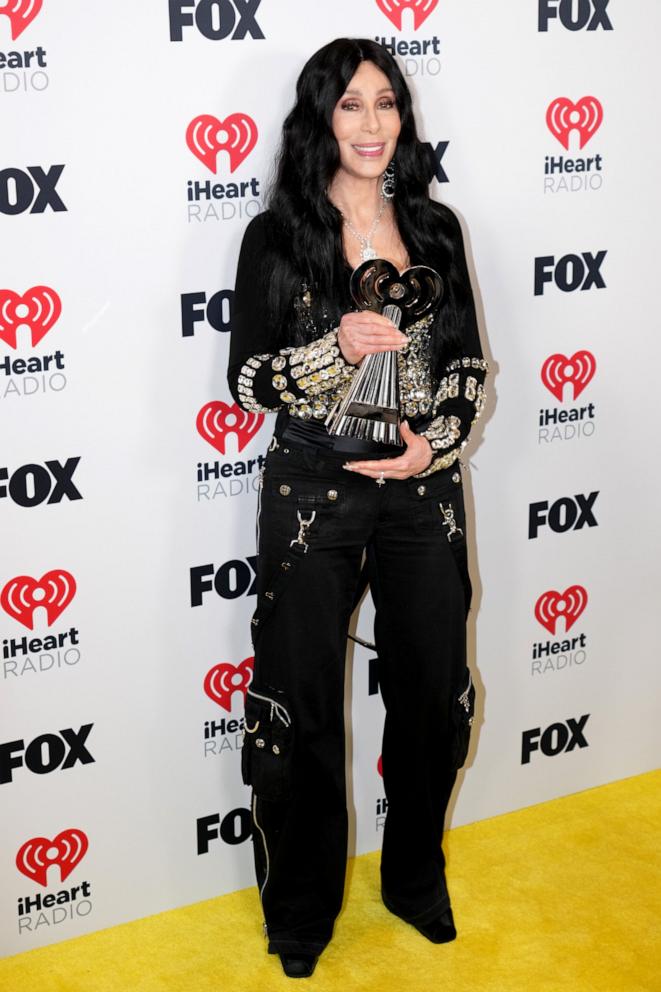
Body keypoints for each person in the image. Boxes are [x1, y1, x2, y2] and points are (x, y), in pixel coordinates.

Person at [228, 37, 487, 980]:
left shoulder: (436, 227)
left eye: (386, 103)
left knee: (431, 696)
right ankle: (300, 910)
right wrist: (335, 347)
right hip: (311, 490)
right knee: (299, 709)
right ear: (319, 120)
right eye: (350, 106)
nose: (372, 124)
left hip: (421, 492)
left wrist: (437, 441)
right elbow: (247, 381)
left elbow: (462, 365)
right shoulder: (277, 235)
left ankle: (415, 883)